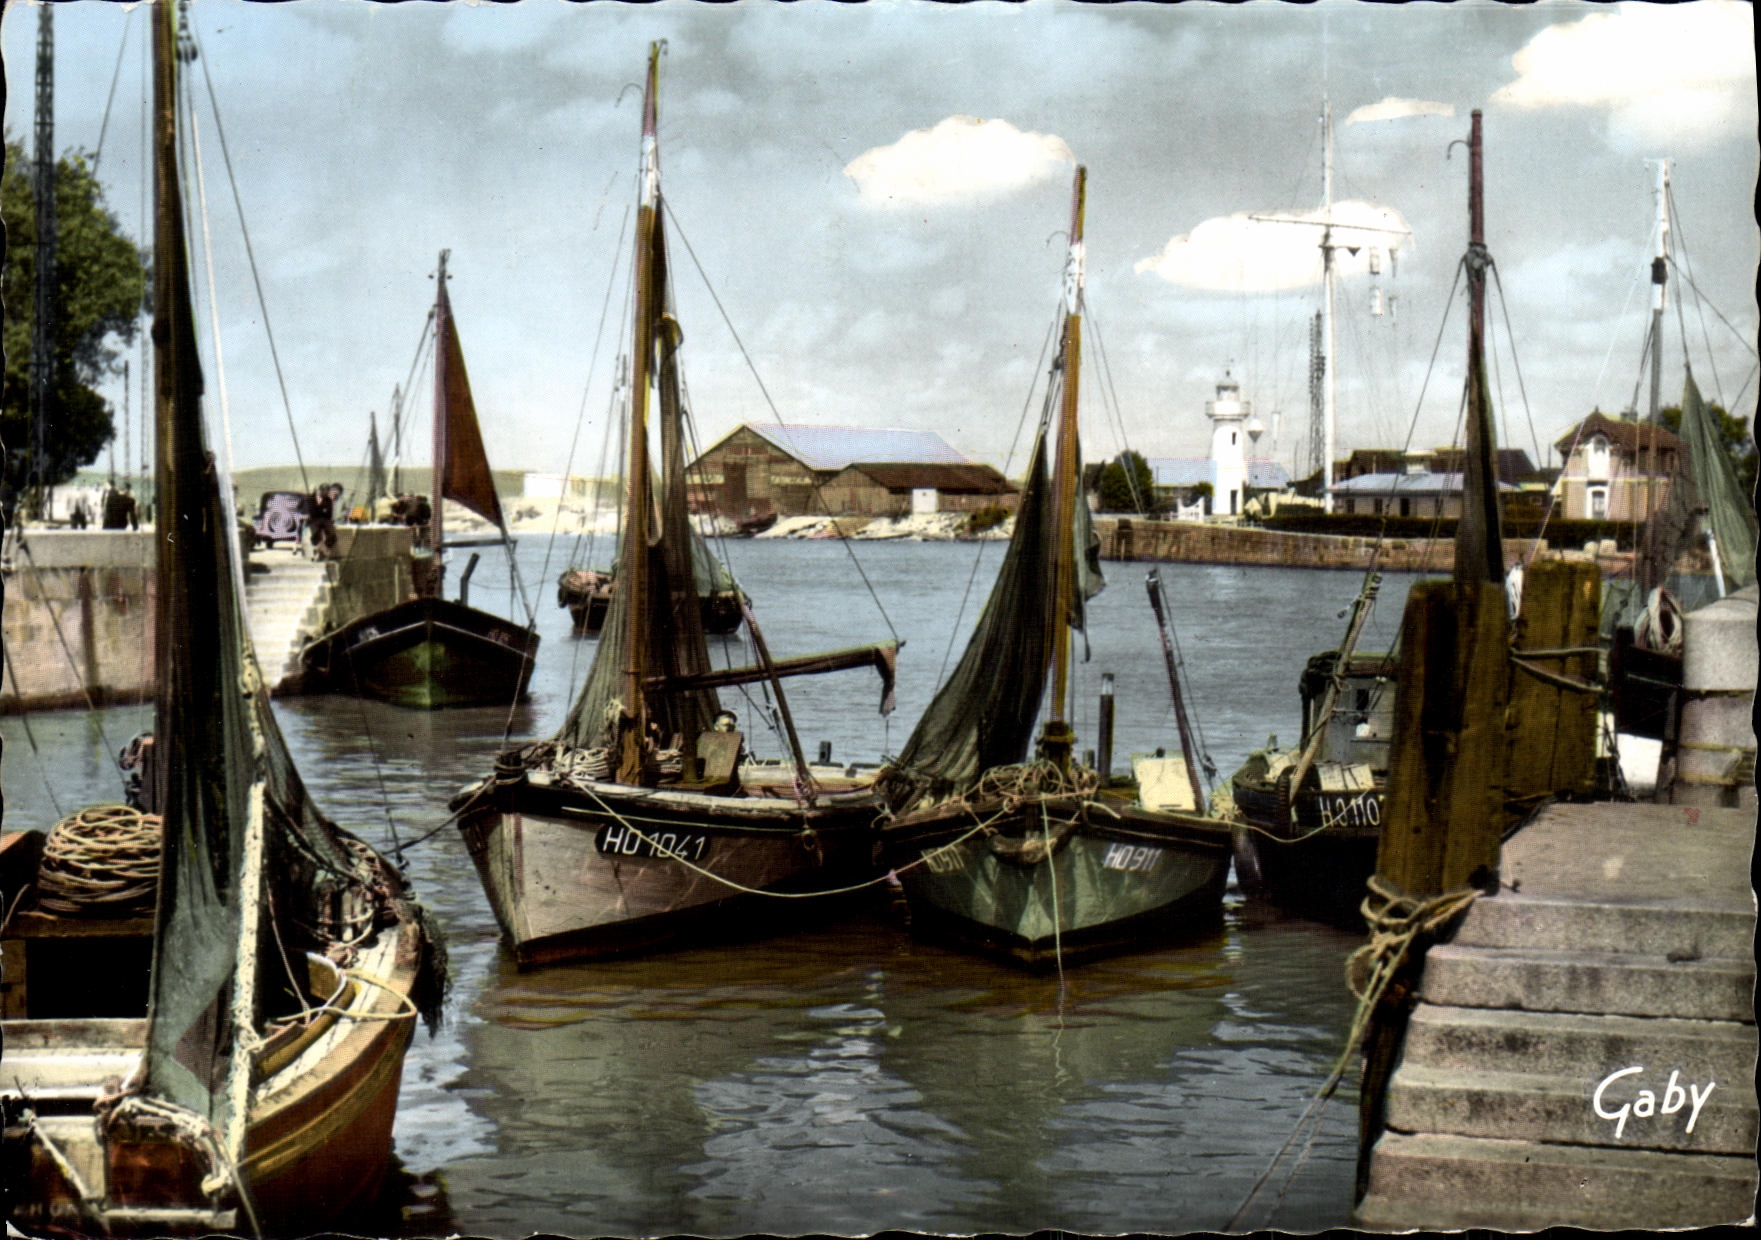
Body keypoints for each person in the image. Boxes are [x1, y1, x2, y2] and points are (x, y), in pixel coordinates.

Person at [307, 482, 342, 560]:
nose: (326, 493)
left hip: (326, 520)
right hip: (315, 519)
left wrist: (322, 511)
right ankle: (320, 550)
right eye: (325, 491)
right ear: (321, 491)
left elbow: (329, 513)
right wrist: (323, 510)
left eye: (327, 491)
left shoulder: (328, 500)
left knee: (332, 535)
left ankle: (324, 548)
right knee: (315, 533)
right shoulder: (312, 498)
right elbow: (312, 512)